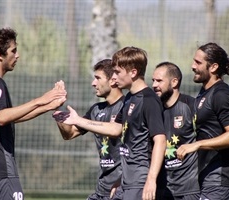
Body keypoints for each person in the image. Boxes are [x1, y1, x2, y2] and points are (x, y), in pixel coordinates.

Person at [55, 46, 166, 200]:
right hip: (125, 183)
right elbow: (116, 129)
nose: (114, 77)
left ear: (133, 72)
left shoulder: (149, 100)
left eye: (118, 72)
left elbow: (160, 140)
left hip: (139, 181)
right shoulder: (130, 99)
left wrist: (151, 180)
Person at [0, 26, 66, 200]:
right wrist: (40, 99)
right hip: (0, 170)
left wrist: (47, 106)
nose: (17, 55)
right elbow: (1, 117)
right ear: (0, 55)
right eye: (13, 51)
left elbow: (6, 119)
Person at [176, 42, 229, 200]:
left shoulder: (221, 94)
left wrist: (197, 145)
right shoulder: (204, 93)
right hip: (209, 177)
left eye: (198, 62)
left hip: (222, 178)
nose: (192, 66)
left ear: (213, 67)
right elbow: (218, 128)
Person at [53, 59, 124, 200]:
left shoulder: (128, 106)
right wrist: (57, 110)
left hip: (123, 188)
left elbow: (116, 129)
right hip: (101, 190)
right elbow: (69, 134)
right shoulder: (96, 110)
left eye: (98, 78)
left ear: (113, 80)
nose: (93, 83)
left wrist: (79, 120)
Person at [152, 62, 200, 200]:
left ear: (174, 82)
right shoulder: (153, 109)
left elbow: (211, 133)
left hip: (190, 189)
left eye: (159, 81)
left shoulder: (191, 106)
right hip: (162, 188)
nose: (154, 85)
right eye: (153, 80)